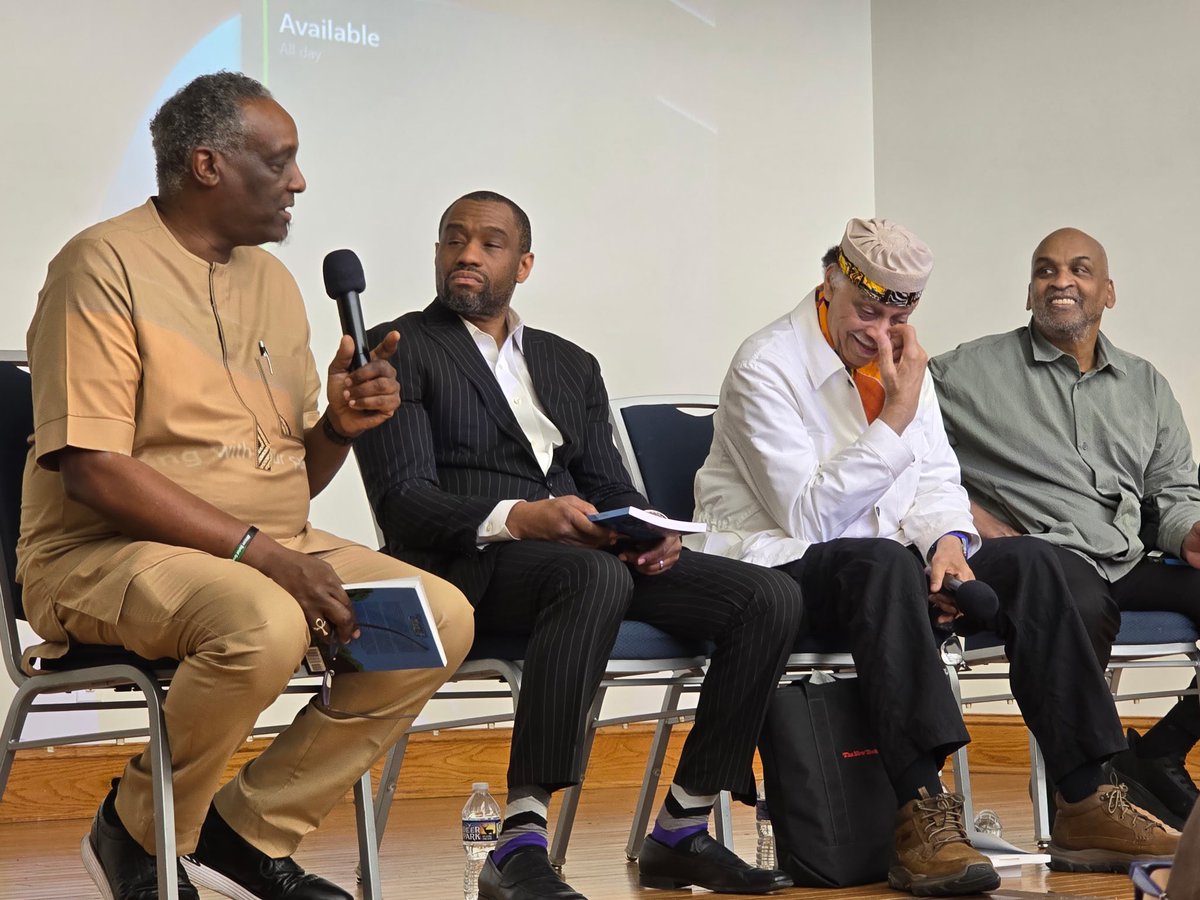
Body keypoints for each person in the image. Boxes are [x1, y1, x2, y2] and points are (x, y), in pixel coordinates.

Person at [16, 72, 474, 900]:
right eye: (280, 161)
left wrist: (337, 426)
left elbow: (291, 471)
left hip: (269, 544)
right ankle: (137, 831)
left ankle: (247, 828)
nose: (298, 182)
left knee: (436, 617)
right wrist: (261, 556)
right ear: (206, 165)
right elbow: (91, 467)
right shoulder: (101, 264)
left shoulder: (272, 282)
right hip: (107, 551)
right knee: (262, 619)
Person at [691, 218, 1178, 886]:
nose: (880, 331)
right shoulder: (766, 364)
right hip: (780, 573)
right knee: (884, 563)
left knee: (1038, 563)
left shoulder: (898, 352)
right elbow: (808, 514)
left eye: (897, 313)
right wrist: (896, 412)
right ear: (829, 282)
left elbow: (934, 479)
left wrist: (948, 546)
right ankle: (921, 809)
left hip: (884, 570)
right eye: (867, 310)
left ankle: (1086, 794)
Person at [354, 190, 802, 899]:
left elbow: (607, 483)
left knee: (768, 595)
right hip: (468, 567)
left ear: (523, 264)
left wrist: (648, 532)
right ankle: (521, 841)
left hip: (581, 556)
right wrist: (519, 516)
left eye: (490, 242)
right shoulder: (399, 348)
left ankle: (682, 829)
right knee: (592, 580)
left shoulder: (568, 363)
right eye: (453, 238)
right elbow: (404, 503)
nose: (468, 253)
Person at [931, 226, 1200, 833]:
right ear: (1030, 293)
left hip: (1126, 555)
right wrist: (967, 519)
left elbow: (1172, 490)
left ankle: (1162, 747)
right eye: (1045, 270)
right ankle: (1085, 802)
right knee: (1077, 601)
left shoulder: (1145, 384)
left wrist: (1188, 532)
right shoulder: (962, 372)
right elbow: (899, 448)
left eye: (1079, 270)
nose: (1061, 282)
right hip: (1049, 558)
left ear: (1108, 292)